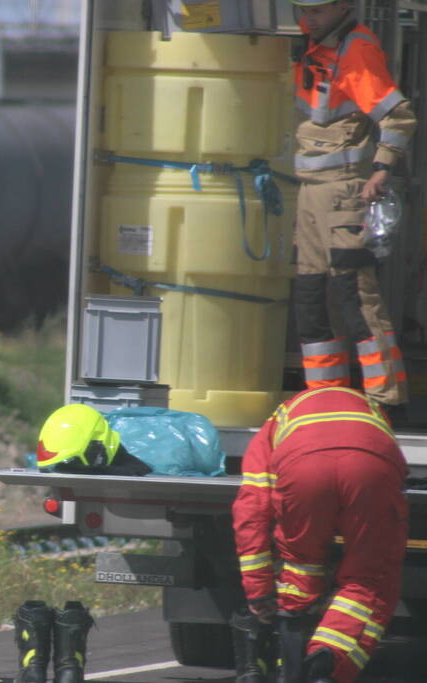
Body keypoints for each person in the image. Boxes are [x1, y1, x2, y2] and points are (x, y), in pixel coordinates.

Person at [231, 386, 408, 683]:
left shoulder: (279, 419)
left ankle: (290, 659)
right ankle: (327, 662)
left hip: (304, 471)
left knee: (300, 569)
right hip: (371, 470)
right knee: (369, 579)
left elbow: (253, 508)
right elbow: (393, 462)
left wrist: (259, 591)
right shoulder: (373, 412)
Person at [289, 0, 416, 408]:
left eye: (317, 11)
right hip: (311, 189)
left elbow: (398, 116)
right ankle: (324, 398)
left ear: (343, 7)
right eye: (302, 10)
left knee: (355, 293)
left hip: (344, 189)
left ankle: (384, 400)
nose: (307, 19)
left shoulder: (355, 50)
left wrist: (381, 169)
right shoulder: (313, 45)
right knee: (310, 294)